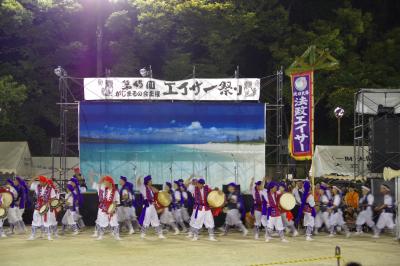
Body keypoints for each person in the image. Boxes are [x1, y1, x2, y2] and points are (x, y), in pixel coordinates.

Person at [28, 176, 57, 241]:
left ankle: (49, 236)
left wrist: (47, 202)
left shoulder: (50, 188)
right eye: (39, 181)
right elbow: (29, 186)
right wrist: (33, 178)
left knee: (47, 221)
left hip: (46, 206)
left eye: (40, 181)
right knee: (35, 220)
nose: (39, 182)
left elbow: (53, 198)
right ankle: (33, 235)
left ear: (44, 182)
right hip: (38, 206)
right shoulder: (37, 187)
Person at [92, 176, 121, 240]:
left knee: (115, 222)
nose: (104, 183)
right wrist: (93, 177)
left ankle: (117, 236)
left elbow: (116, 202)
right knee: (102, 222)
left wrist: (112, 209)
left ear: (110, 182)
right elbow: (99, 187)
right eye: (104, 182)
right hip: (104, 208)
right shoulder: (104, 190)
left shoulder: (115, 192)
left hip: (112, 208)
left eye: (106, 182)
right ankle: (100, 236)